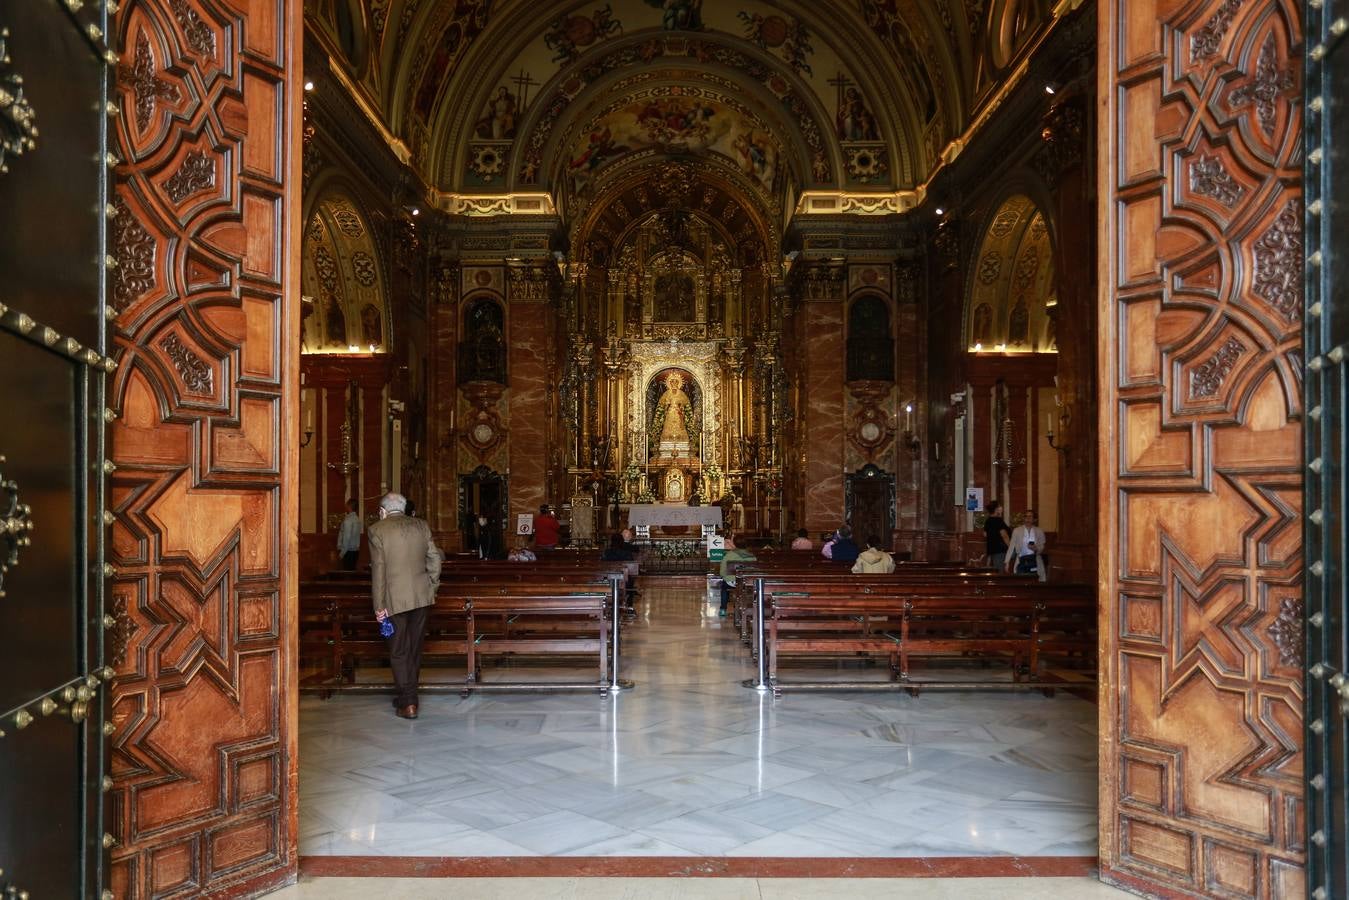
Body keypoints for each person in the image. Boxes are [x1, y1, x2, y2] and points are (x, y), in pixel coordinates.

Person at [368, 492, 443, 719]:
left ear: (383, 510)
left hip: (394, 599)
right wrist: (432, 586)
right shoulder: (421, 526)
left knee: (398, 651)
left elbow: (378, 570)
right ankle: (407, 697)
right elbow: (435, 559)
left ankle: (409, 702)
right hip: (421, 597)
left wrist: (379, 606)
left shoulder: (377, 530)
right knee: (414, 649)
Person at [717, 535, 756, 618]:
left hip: (731, 582)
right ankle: (748, 608)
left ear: (734, 544)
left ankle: (723, 609)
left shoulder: (729, 555)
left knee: (724, 588)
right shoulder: (752, 556)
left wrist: (725, 577)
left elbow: (722, 572)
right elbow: (754, 570)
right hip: (746, 582)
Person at [1005, 509, 1048, 581]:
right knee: (1020, 581)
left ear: (1034, 519)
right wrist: (1007, 562)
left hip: (1034, 560)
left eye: (1030, 516)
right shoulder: (1017, 531)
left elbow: (1042, 546)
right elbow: (1011, 547)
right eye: (1026, 516)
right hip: (1021, 560)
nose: (1028, 518)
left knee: (1035, 581)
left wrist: (1036, 548)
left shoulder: (1039, 531)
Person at [983, 500, 1011, 568]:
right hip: (1000, 551)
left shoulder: (988, 520)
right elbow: (1004, 535)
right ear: (996, 509)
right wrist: (1011, 547)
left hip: (991, 551)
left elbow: (985, 534)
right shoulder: (998, 520)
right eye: (1000, 506)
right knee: (1000, 573)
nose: (1002, 508)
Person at [337, 498, 362, 570]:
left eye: (346, 504)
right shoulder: (357, 519)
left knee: (347, 574)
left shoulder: (348, 520)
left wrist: (342, 553)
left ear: (349, 506)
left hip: (348, 552)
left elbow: (346, 537)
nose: (345, 506)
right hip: (355, 551)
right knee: (351, 574)